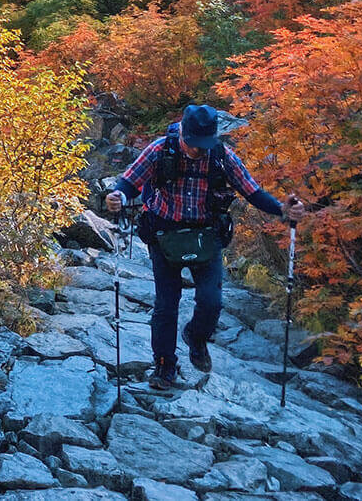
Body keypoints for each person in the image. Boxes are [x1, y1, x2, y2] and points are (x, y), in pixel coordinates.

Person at [105, 103, 305, 390]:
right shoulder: (159, 150)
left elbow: (252, 192)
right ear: (182, 131)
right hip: (164, 233)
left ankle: (196, 337)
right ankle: (164, 365)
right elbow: (128, 184)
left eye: (204, 144)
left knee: (211, 301)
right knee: (166, 305)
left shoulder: (222, 157)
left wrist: (282, 211)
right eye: (193, 143)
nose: (197, 150)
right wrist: (118, 198)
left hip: (206, 236)